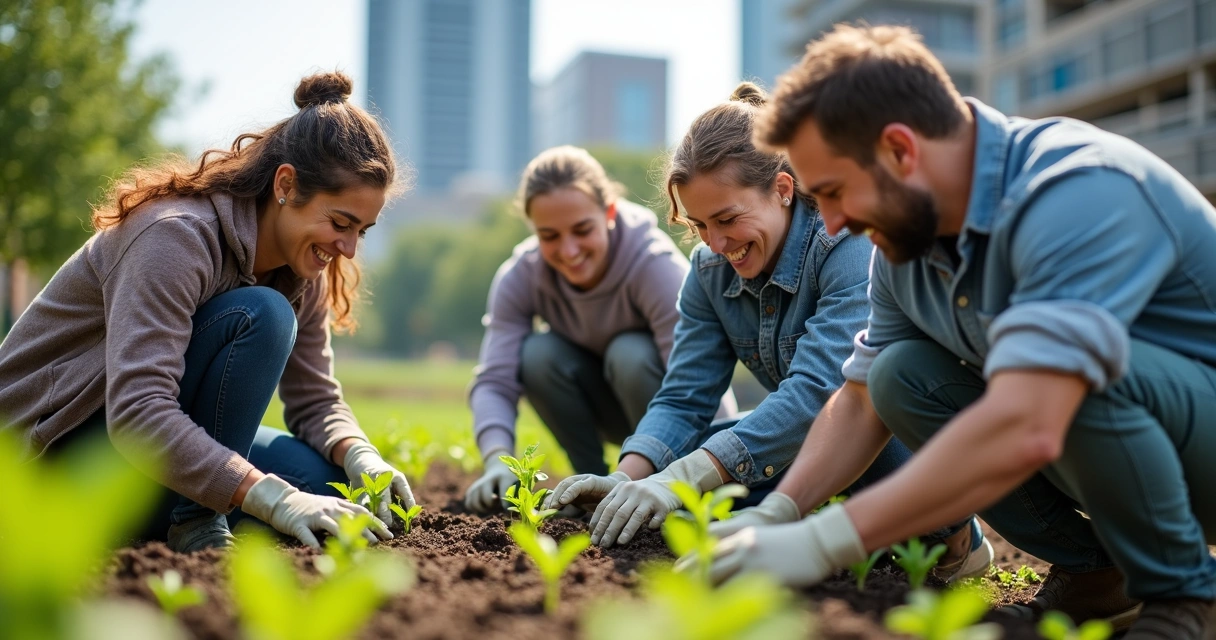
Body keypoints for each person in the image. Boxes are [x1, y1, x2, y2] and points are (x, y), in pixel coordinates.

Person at [700, 24, 1216, 639]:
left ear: (899, 149)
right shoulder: (903, 244)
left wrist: (826, 540)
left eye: (834, 192)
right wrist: (785, 512)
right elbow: (862, 401)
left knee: (1071, 375)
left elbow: (1030, 418)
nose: (831, 221)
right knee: (899, 376)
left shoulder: (1075, 191)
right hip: (1134, 449)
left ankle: (1184, 597)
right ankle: (1095, 575)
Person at [544, 83, 991, 583]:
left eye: (727, 219)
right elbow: (684, 397)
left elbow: (819, 391)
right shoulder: (710, 269)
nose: (716, 243)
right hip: (810, 448)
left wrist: (682, 476)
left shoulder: (847, 245)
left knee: (870, 398)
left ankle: (952, 541)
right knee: (695, 483)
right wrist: (626, 480)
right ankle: (831, 529)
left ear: (782, 189)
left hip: (890, 433)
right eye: (698, 225)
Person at [0, 72, 415, 553]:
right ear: (285, 185)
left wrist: (363, 456)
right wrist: (272, 498)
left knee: (329, 489)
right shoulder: (175, 238)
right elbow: (138, 409)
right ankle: (196, 521)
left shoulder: (306, 267)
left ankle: (191, 510)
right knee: (263, 314)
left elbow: (315, 400)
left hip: (139, 450)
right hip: (49, 460)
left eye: (361, 231)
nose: (346, 248)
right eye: (340, 222)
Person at [463, 146, 736, 514]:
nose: (569, 250)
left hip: (668, 419)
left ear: (608, 212)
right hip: (601, 408)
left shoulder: (653, 265)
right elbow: (495, 380)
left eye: (582, 229)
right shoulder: (521, 275)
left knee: (630, 353)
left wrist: (718, 467)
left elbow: (700, 382)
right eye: (549, 236)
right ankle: (589, 488)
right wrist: (497, 457)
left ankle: (658, 483)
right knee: (537, 355)